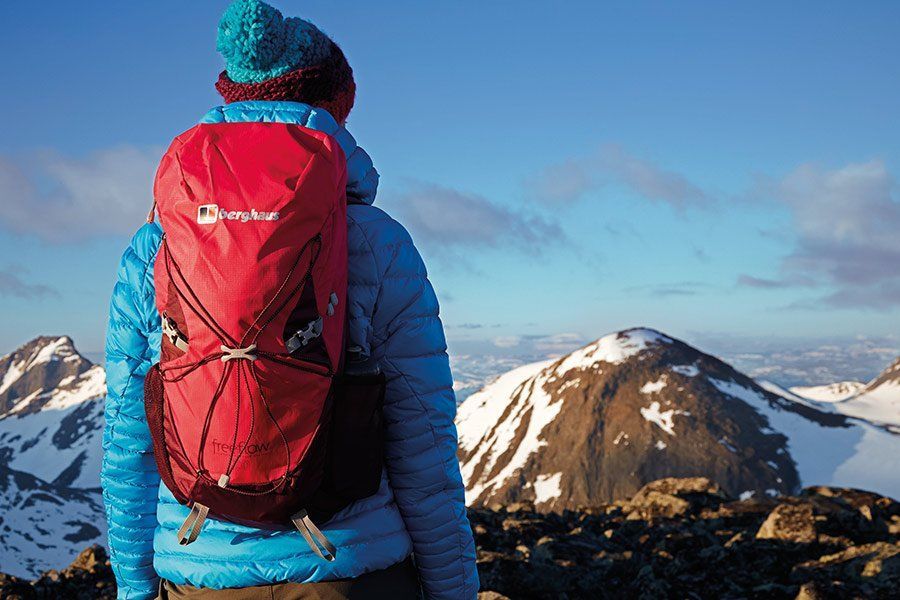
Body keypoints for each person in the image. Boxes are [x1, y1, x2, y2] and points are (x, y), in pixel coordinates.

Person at [102, 1, 478, 598]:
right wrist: (451, 590)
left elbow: (127, 437)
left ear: (229, 99)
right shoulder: (378, 243)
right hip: (349, 571)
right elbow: (423, 443)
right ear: (335, 108)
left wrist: (134, 586)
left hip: (199, 571)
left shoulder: (155, 247)